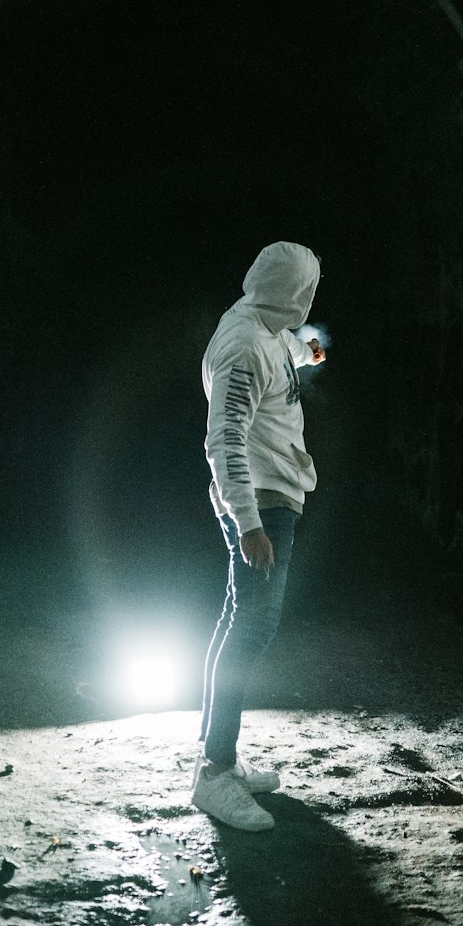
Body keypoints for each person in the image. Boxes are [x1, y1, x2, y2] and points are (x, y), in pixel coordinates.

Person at [191, 240, 326, 831]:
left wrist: (306, 351)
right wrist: (248, 523)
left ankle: (219, 759)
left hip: (273, 494)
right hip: (262, 503)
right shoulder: (243, 346)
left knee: (239, 619)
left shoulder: (261, 325)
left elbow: (280, 349)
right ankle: (215, 775)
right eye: (307, 289)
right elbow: (225, 439)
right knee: (253, 627)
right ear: (291, 292)